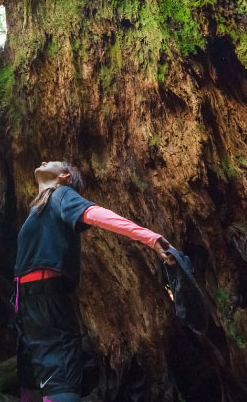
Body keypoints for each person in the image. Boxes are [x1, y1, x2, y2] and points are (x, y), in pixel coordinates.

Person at [14, 160, 174, 402]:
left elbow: (97, 214)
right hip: (26, 303)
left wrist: (150, 238)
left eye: (54, 162)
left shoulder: (62, 195)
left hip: (47, 298)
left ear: (65, 176)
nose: (44, 161)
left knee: (60, 374)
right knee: (37, 373)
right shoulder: (38, 208)